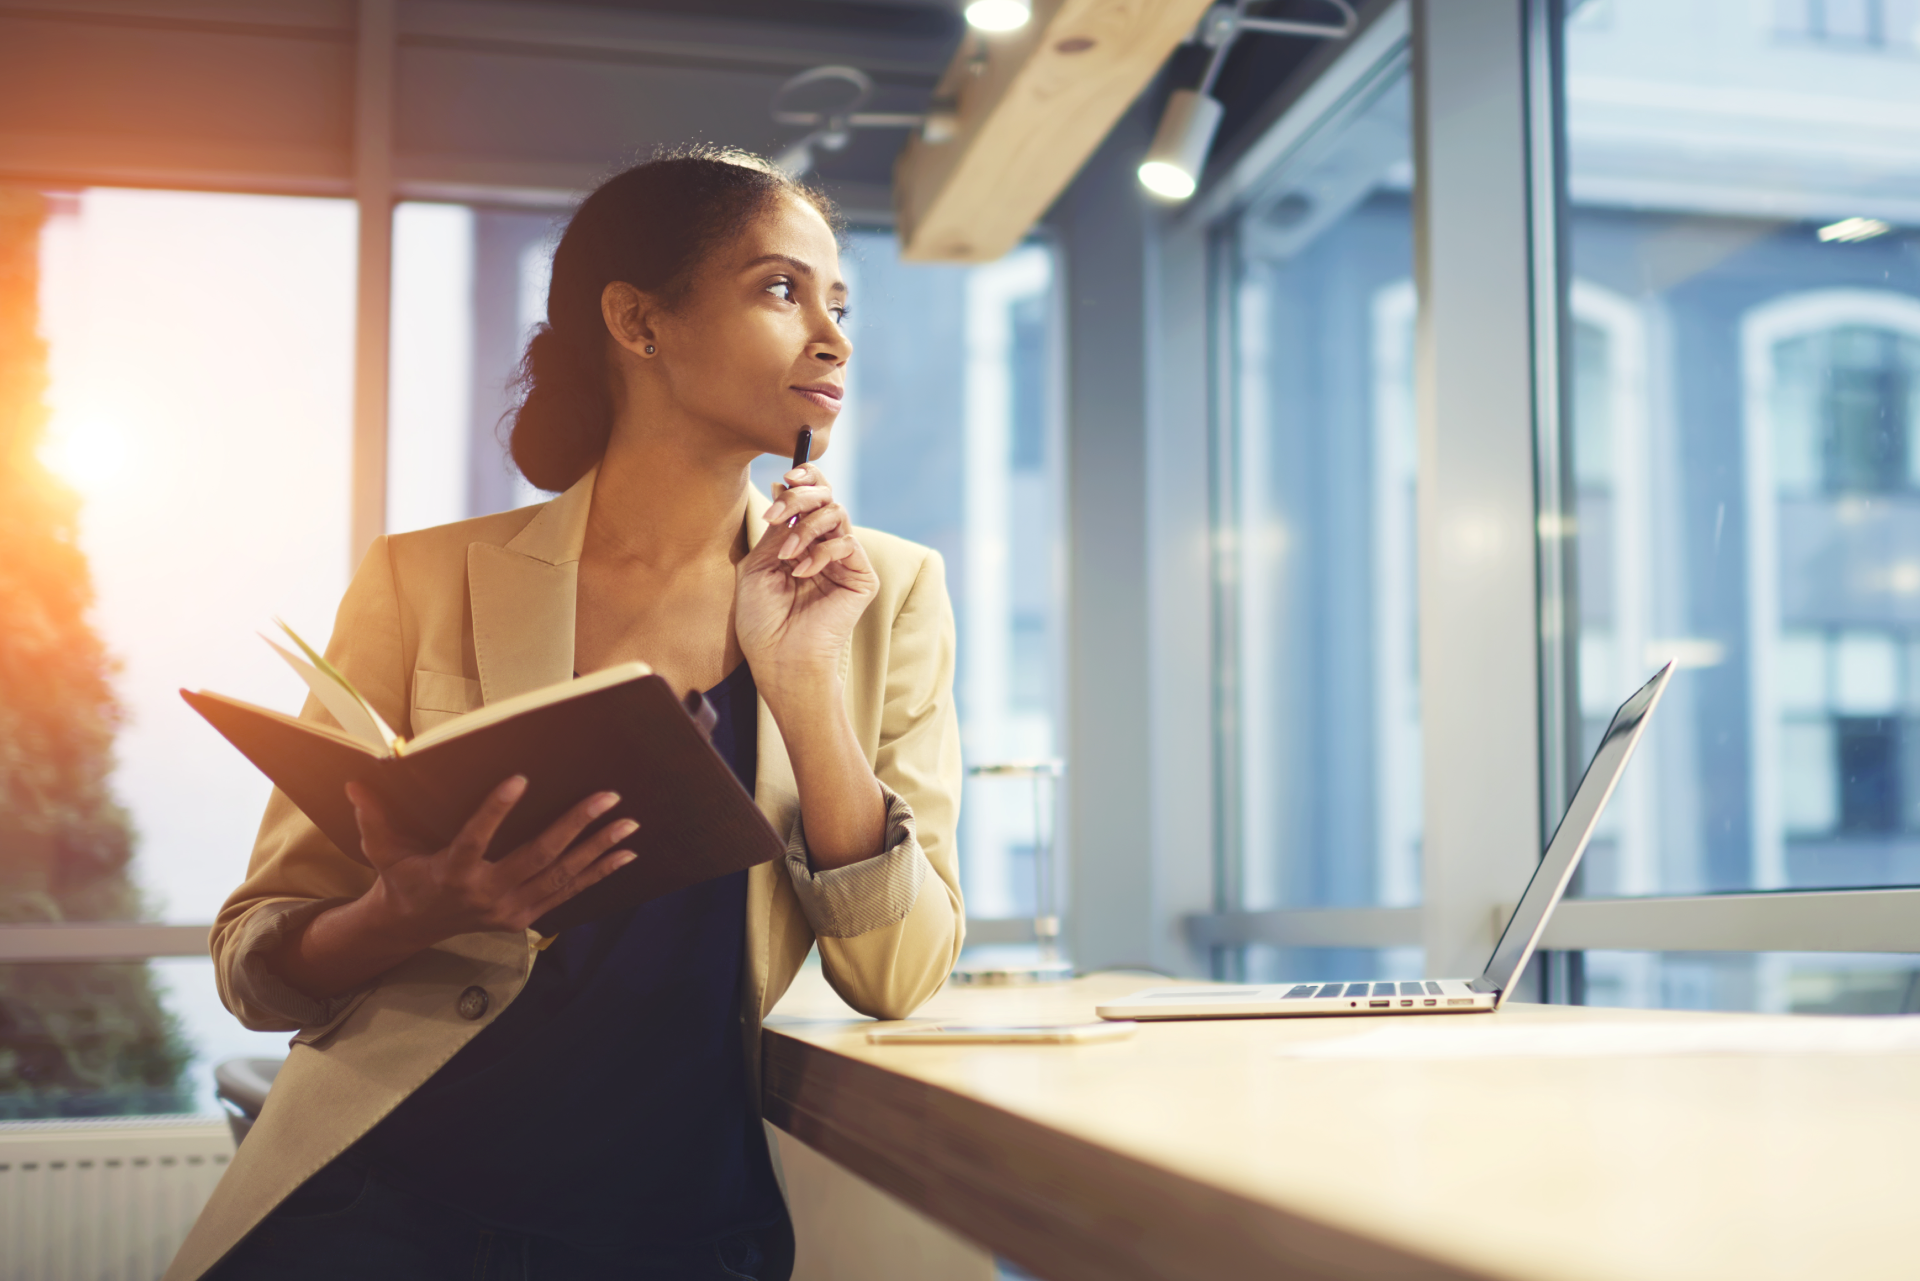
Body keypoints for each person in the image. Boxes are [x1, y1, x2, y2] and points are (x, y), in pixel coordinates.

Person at [166, 147, 964, 1281]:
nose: (833, 338)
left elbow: (899, 976)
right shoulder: (422, 582)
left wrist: (804, 688)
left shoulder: (886, 593)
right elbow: (256, 960)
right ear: (638, 321)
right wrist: (404, 912)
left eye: (840, 303)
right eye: (782, 290)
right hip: (388, 1214)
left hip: (681, 1236)